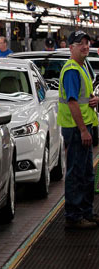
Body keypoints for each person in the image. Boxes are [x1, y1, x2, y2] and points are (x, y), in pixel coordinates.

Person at [58, 30, 99, 230]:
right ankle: (74, 216)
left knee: (86, 172)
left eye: (87, 43)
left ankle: (85, 212)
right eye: (80, 43)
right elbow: (73, 103)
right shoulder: (72, 70)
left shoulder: (83, 67)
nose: (85, 46)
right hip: (76, 129)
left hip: (83, 127)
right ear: (71, 47)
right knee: (76, 173)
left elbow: (85, 97)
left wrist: (96, 100)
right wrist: (83, 130)